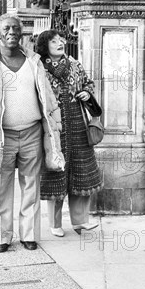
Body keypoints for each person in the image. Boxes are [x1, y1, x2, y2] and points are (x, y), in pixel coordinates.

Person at [0, 14, 64, 253]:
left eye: (15, 28)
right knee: (0, 186)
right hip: (1, 135)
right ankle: (1, 236)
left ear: (21, 34)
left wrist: (55, 125)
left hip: (31, 132)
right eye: (6, 29)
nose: (11, 32)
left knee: (31, 185)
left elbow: (47, 96)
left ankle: (29, 234)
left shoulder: (34, 61)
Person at [36, 30, 102, 237]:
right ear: (45, 46)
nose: (60, 43)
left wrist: (86, 93)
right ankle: (55, 224)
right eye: (53, 41)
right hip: (54, 126)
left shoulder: (75, 65)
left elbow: (88, 83)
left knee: (81, 170)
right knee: (57, 170)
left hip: (77, 123)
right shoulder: (39, 69)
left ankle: (80, 221)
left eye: (60, 40)